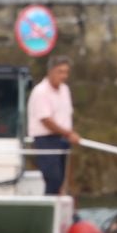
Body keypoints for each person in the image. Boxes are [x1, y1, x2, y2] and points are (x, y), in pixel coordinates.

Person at [28, 57, 76, 195]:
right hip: (46, 140)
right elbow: (46, 120)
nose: (64, 76)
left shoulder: (65, 90)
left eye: (66, 72)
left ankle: (60, 202)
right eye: (60, 72)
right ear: (51, 71)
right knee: (53, 178)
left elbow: (66, 115)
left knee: (62, 181)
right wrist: (68, 133)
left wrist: (68, 134)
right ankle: (49, 203)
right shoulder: (41, 91)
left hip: (63, 140)